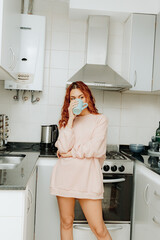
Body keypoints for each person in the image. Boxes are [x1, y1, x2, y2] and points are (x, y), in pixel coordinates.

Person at [50, 81, 112, 240]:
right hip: (65, 176)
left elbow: (94, 148)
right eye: (73, 98)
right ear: (69, 102)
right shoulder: (65, 122)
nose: (77, 101)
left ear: (88, 98)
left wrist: (71, 153)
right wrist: (70, 119)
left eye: (81, 97)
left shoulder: (100, 120)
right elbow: (62, 147)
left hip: (87, 178)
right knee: (66, 222)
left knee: (98, 229)